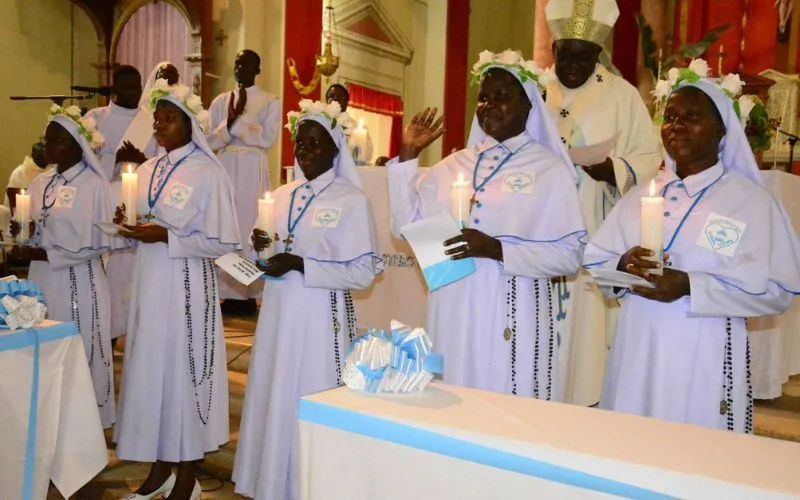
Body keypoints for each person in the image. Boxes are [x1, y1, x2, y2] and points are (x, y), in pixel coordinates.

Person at [583, 70, 800, 432]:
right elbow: (595, 257)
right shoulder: (642, 193)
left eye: (691, 117)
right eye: (670, 117)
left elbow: (778, 290)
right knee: (631, 446)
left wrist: (690, 286)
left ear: (721, 131)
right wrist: (623, 263)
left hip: (704, 351)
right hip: (637, 346)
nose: (676, 126)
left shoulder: (749, 202)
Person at [387, 50, 586, 400]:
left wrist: (496, 249)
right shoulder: (452, 165)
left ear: (528, 106)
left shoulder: (549, 170)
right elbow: (404, 227)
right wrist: (407, 156)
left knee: (503, 411)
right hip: (452, 312)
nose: (489, 105)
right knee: (450, 409)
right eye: (483, 97)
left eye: (501, 97)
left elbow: (569, 256)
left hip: (510, 314)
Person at [232, 99, 381, 500]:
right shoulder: (279, 196)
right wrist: (257, 250)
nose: (306, 150)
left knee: (311, 399)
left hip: (321, 321)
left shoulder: (351, 200)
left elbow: (364, 272)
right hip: (278, 317)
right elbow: (258, 257)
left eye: (315, 143)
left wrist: (301, 264)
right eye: (301, 142)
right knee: (274, 398)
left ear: (335, 147)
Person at [113, 80, 240, 500]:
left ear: (190, 124)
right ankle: (160, 467)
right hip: (150, 288)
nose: (161, 124)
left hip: (188, 289)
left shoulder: (208, 173)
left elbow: (223, 243)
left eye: (171, 118)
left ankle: (187, 473)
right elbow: (145, 221)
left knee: (184, 376)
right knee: (153, 375)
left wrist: (168, 238)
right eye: (158, 118)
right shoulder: (147, 169)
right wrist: (129, 225)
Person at [543, 0, 662, 407]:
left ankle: (583, 404)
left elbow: (649, 157)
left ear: (599, 54)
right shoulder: (531, 89)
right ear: (555, 49)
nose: (575, 64)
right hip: (536, 233)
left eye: (586, 56)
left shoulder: (622, 95)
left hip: (594, 225)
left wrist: (612, 170)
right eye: (568, 53)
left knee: (586, 333)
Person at [10, 105, 123, 429]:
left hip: (79, 283)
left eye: (57, 141)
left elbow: (98, 241)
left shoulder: (94, 186)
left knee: (79, 352)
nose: (48, 147)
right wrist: (23, 236)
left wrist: (46, 253)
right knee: (44, 354)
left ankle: (81, 433)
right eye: (47, 140)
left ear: (77, 144)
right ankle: (46, 427)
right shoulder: (42, 182)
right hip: (42, 280)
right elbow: (31, 224)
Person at [207, 49, 281, 314]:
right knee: (227, 221)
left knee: (249, 221)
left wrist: (236, 123)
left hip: (252, 165)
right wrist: (229, 126)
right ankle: (223, 290)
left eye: (247, 64)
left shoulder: (270, 101)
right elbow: (210, 140)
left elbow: (267, 138)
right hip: (226, 164)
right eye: (237, 63)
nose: (240, 68)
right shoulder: (220, 101)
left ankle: (249, 291)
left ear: (257, 69)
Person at [84, 65, 144, 179]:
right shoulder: (95, 118)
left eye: (136, 87)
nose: (133, 92)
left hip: (144, 190)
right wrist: (115, 158)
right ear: (114, 89)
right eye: (126, 87)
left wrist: (142, 160)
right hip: (105, 190)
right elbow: (83, 159)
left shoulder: (151, 120)